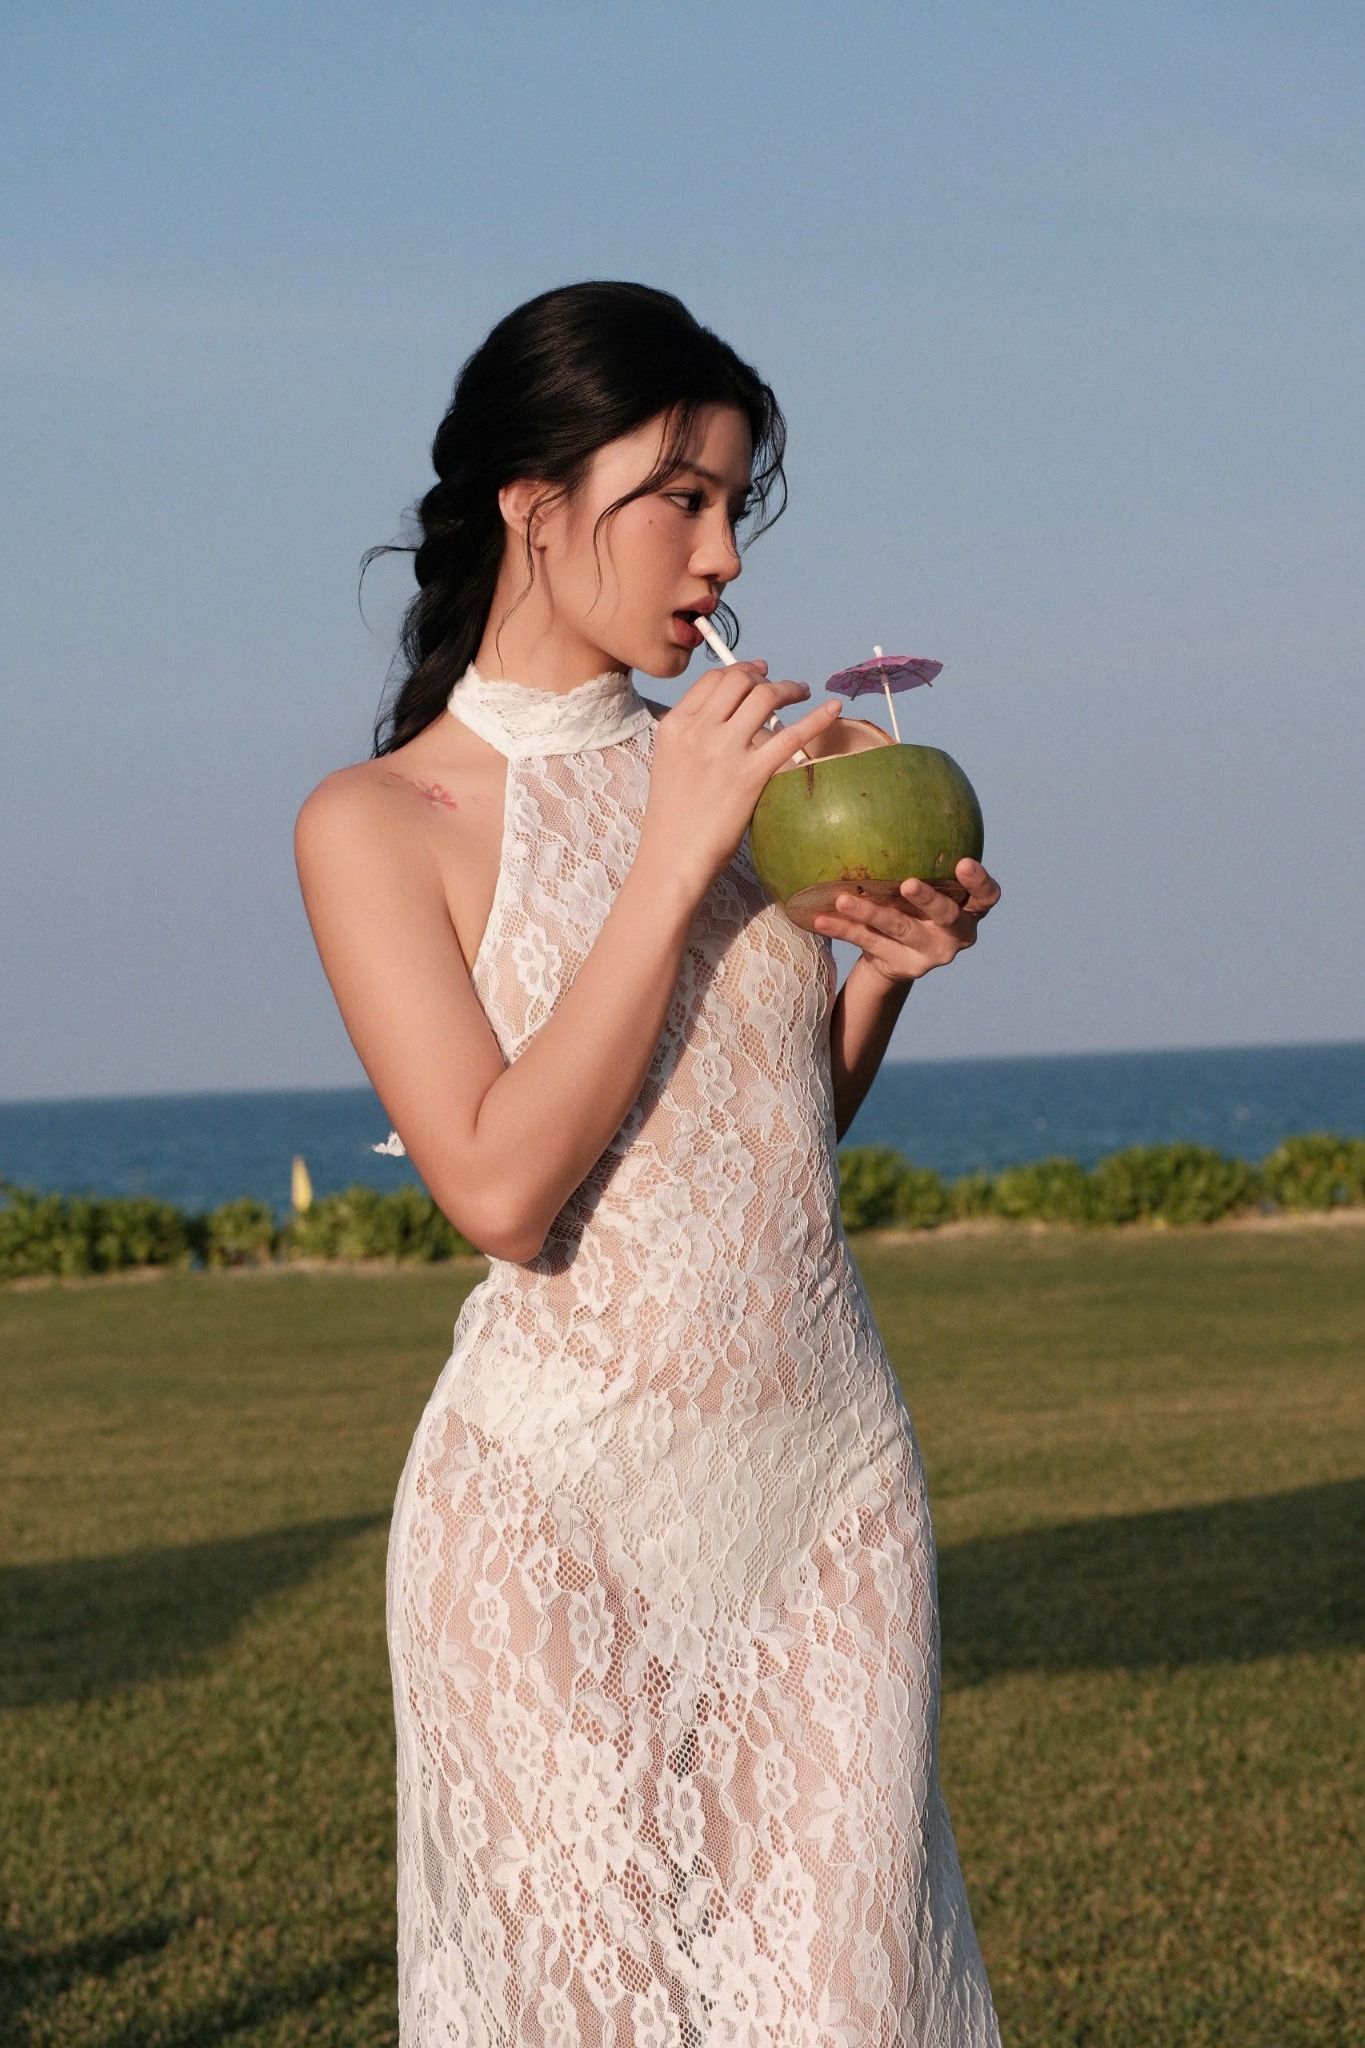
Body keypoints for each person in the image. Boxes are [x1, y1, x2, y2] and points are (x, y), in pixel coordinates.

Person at [294, 280, 1003, 2047]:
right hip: (554, 1518)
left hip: (826, 1486)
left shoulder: (765, 778)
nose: (720, 557)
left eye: (732, 505)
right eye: (676, 498)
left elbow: (757, 1137)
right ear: (533, 505)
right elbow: (499, 1190)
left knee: (848, 2010)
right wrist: (673, 851)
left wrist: (878, 977)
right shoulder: (381, 823)